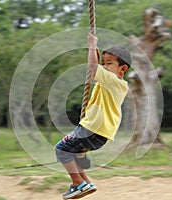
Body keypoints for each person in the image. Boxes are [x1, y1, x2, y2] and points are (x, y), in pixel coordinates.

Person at [55, 33, 131, 199]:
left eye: (109, 63)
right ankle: (87, 183)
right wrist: (95, 51)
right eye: (103, 63)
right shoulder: (111, 83)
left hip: (93, 129)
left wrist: (91, 44)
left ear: (122, 69)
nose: (104, 67)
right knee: (72, 154)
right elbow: (95, 66)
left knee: (60, 150)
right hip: (100, 133)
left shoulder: (113, 81)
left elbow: (92, 68)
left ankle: (78, 183)